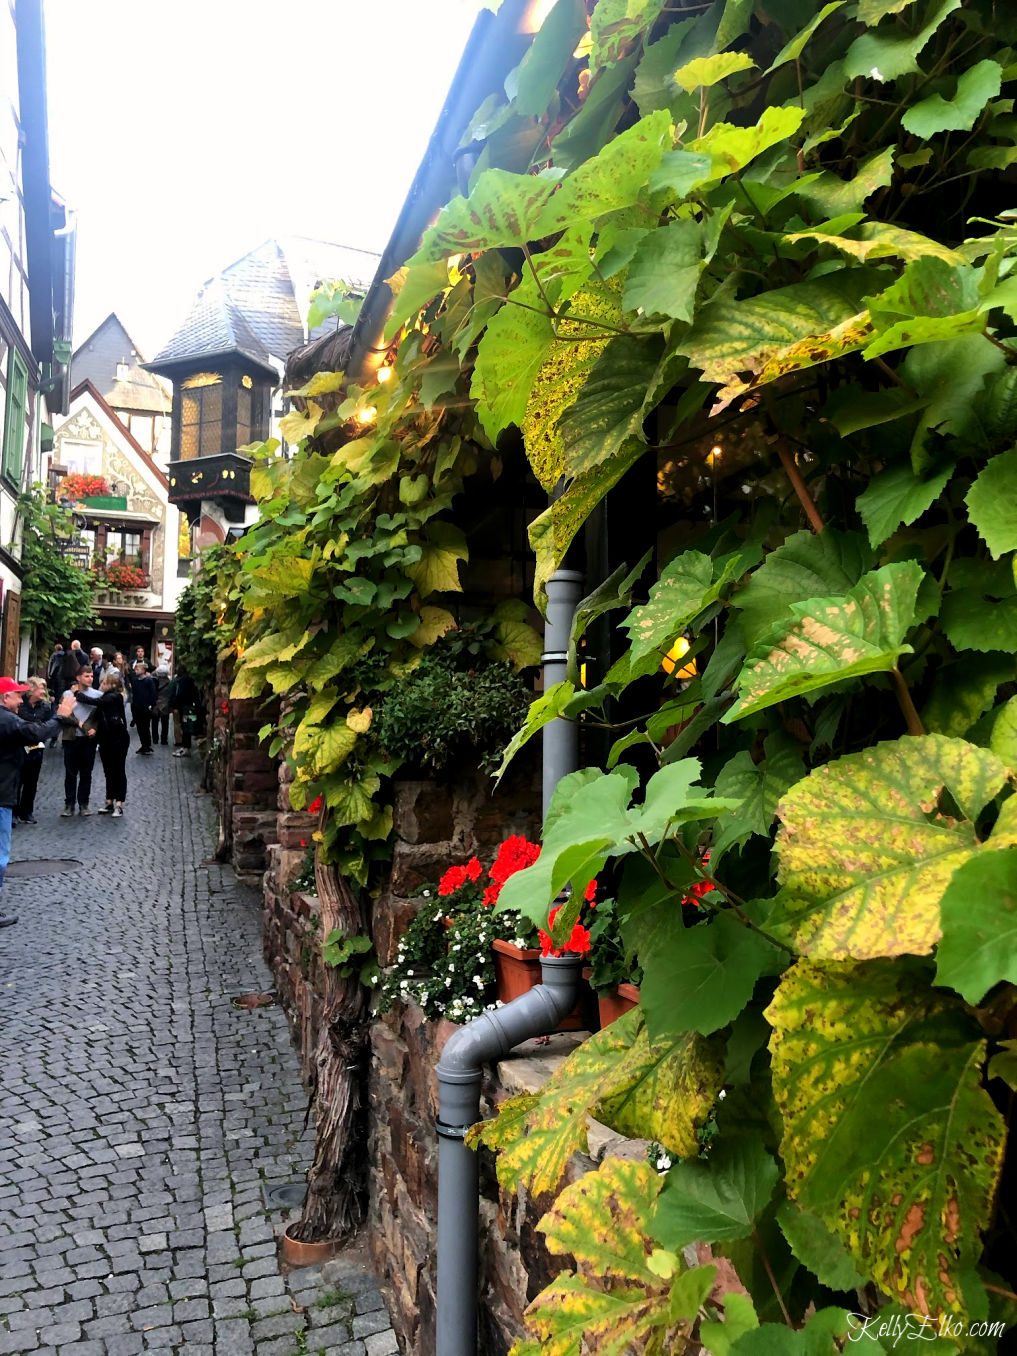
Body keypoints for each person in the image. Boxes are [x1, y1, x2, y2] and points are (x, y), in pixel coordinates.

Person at [0, 677, 76, 926]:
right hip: (1, 794)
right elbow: (36, 733)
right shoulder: (6, 719)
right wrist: (61, 716)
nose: (21, 700)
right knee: (1, 855)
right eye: (17, 695)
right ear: (4, 698)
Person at [83, 672, 130, 816]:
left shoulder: (114, 697)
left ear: (111, 685)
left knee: (118, 770)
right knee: (108, 771)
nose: (101, 685)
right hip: (105, 739)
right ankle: (109, 801)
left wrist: (78, 694)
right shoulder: (105, 697)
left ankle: (119, 804)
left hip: (118, 739)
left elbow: (96, 702)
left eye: (103, 683)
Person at [60, 672, 101, 814]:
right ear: (78, 678)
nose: (90, 679)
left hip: (88, 739)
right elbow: (63, 714)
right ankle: (69, 803)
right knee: (70, 772)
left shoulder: (97, 695)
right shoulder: (67, 694)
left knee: (86, 772)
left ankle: (84, 803)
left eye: (91, 676)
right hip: (70, 737)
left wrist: (94, 729)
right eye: (86, 676)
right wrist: (80, 725)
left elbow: (99, 716)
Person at [14, 677, 52, 824]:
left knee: (32, 781)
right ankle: (13, 811)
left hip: (36, 749)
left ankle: (27, 811)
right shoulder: (20, 704)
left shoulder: (46, 707)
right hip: (19, 748)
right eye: (41, 689)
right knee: (17, 780)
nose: (44, 692)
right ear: (31, 690)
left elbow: (49, 725)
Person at [169, 665, 201, 757]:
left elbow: (181, 695)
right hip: (189, 707)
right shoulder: (189, 680)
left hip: (186, 708)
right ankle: (185, 746)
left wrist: (176, 705)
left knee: (186, 727)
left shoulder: (184, 681)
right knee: (186, 726)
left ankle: (186, 747)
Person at [131, 661, 156, 754]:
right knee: (140, 728)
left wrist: (150, 705)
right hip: (137, 707)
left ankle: (147, 745)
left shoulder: (149, 680)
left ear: (143, 670)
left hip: (145, 708)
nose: (136, 670)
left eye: (138, 669)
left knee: (145, 727)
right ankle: (143, 745)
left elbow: (153, 693)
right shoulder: (135, 680)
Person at [152, 662, 171, 746]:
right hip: (165, 704)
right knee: (165, 723)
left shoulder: (154, 681)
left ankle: (155, 739)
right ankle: (164, 739)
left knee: (154, 722)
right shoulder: (169, 682)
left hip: (155, 703)